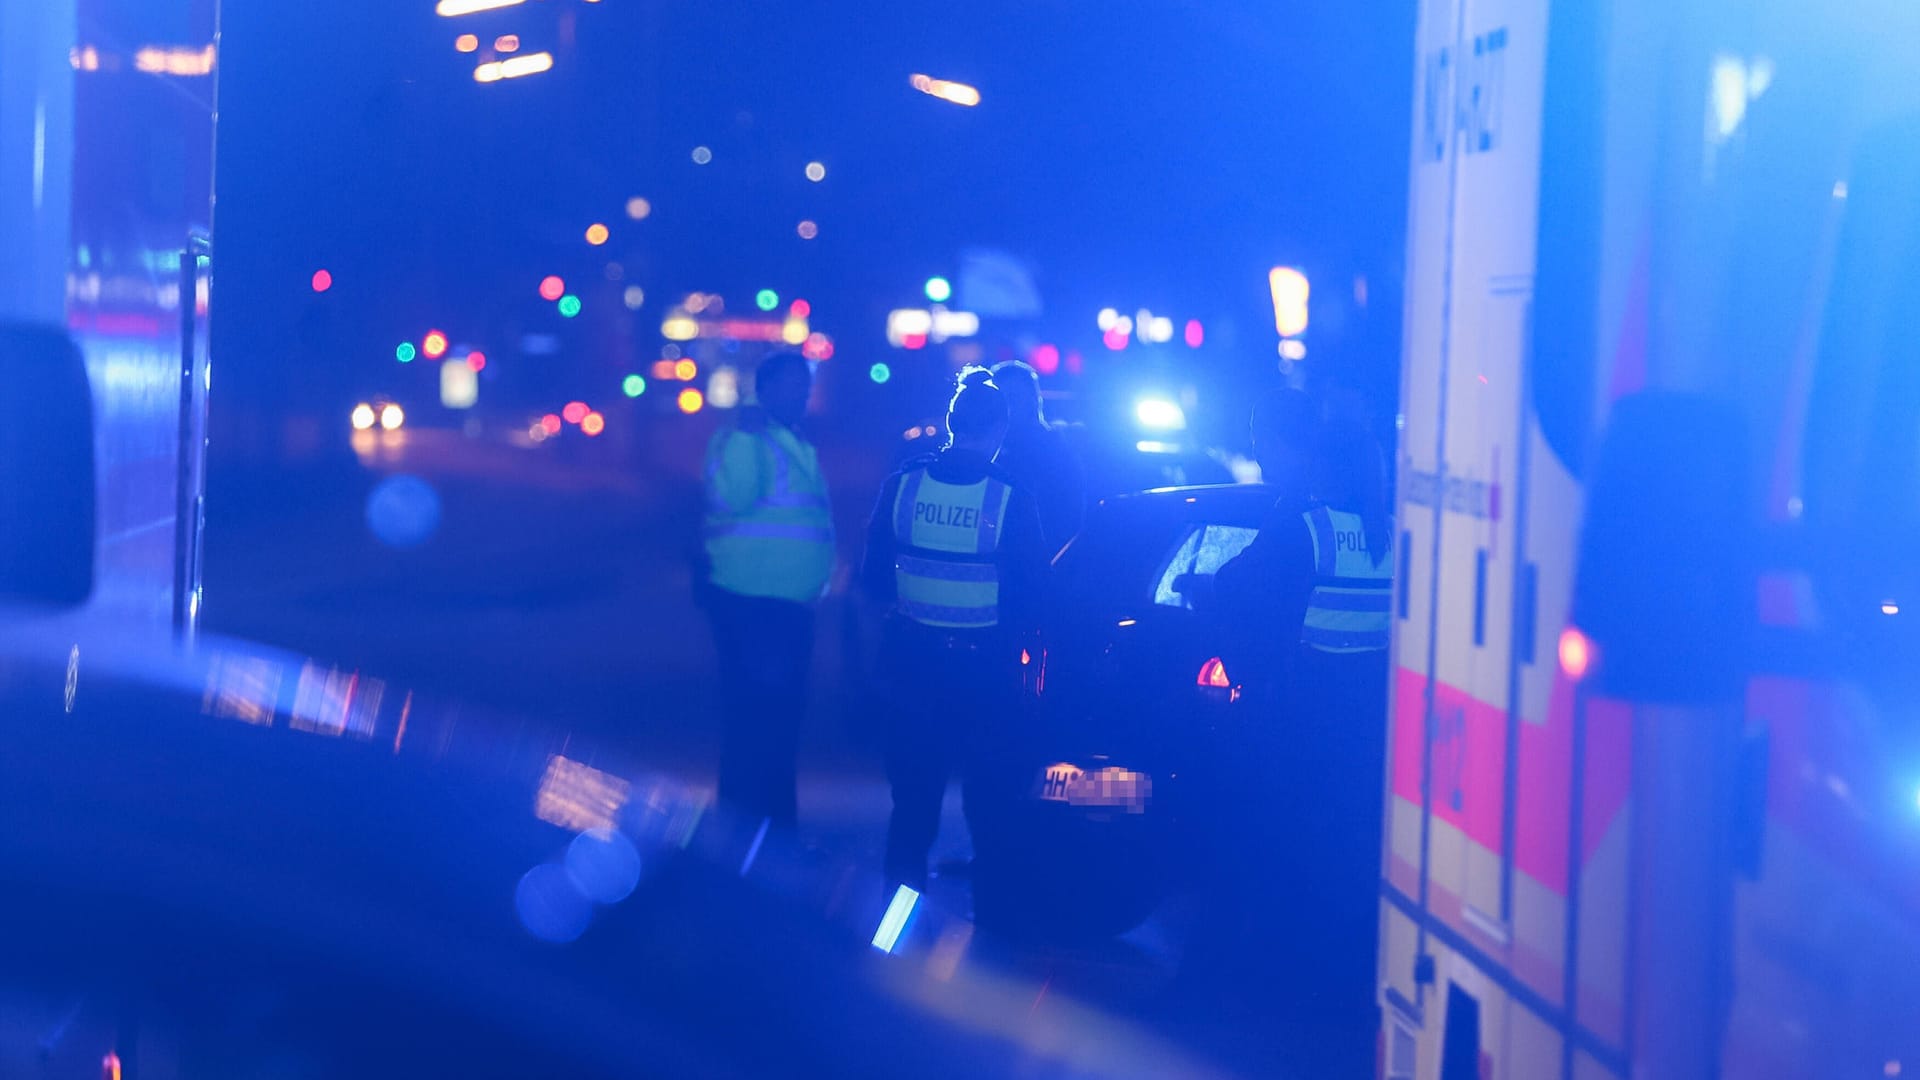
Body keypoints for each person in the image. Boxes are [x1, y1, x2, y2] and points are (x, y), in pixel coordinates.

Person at [1207, 407, 1394, 1075]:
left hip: (1301, 722)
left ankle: (1284, 991)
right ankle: (1345, 988)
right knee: (1350, 856)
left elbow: (1232, 590)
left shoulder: (1305, 528)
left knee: (1287, 854)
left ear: (1323, 463)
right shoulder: (1390, 533)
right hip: (1371, 728)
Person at [860, 367, 1047, 894]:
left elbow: (872, 581)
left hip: (912, 670)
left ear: (950, 423)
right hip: (983, 676)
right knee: (991, 816)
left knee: (912, 813)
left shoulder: (902, 487)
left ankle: (891, 945)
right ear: (999, 431)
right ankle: (993, 939)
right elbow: (1035, 596)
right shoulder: (1010, 497)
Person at [699, 352, 834, 827]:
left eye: (806, 385)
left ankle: (772, 833)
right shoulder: (748, 439)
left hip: (783, 608)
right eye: (791, 385)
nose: (801, 394)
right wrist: (741, 436)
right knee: (757, 726)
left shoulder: (789, 440)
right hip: (754, 606)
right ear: (765, 389)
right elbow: (727, 500)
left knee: (776, 726)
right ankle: (749, 836)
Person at [989, 360, 1086, 556]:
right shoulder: (994, 449)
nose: (1005, 408)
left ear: (1033, 400)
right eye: (999, 401)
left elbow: (1065, 519)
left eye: (1012, 398)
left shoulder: (1054, 454)